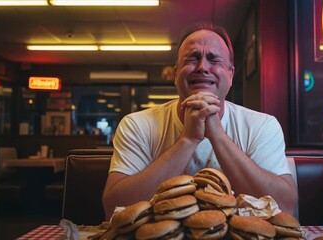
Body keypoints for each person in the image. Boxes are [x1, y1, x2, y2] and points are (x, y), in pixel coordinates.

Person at [103, 22, 298, 219]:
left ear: (230, 75)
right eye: (192, 58)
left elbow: (285, 207)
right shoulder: (136, 125)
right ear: (176, 72)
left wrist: (218, 135)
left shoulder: (262, 125)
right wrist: (188, 140)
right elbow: (113, 207)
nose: (203, 67)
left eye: (214, 60)